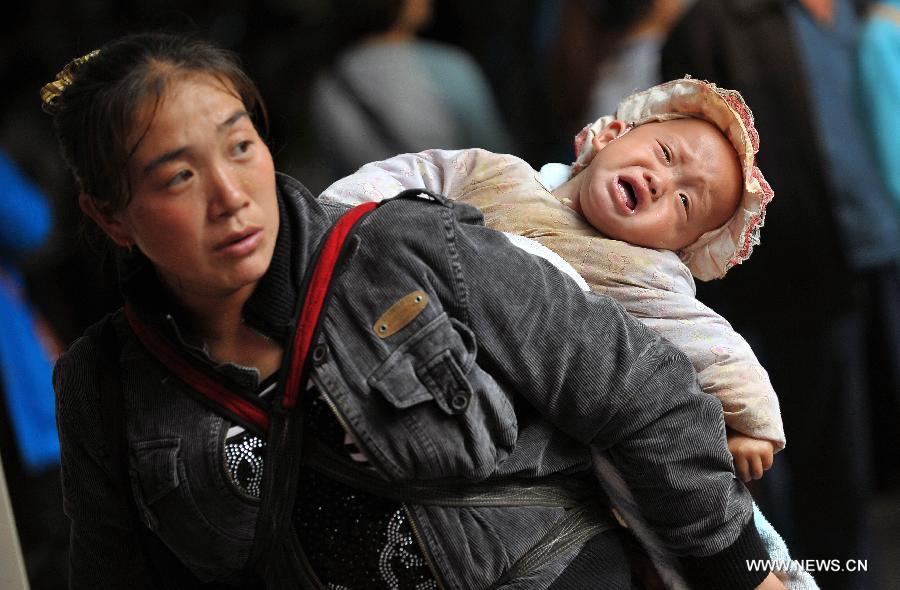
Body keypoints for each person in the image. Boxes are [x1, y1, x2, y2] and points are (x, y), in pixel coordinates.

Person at [44, 32, 783, 588]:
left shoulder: (409, 243)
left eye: (240, 146)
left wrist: (745, 574)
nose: (231, 194)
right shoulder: (104, 385)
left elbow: (644, 397)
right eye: (178, 175)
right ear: (110, 217)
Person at [322, 78, 784, 485]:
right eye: (664, 154)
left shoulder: (644, 274)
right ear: (608, 135)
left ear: (678, 246)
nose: (661, 181)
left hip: (493, 409)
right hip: (396, 321)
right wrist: (341, 216)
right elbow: (413, 172)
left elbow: (712, 341)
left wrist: (752, 424)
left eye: (685, 203)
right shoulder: (499, 173)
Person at [661, 3, 900, 588]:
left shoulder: (868, 16)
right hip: (800, 286)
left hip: (886, 256)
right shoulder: (715, 25)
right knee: (825, 480)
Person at [309, 0, 512, 179]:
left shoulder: (331, 80)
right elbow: (498, 161)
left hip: (369, 218)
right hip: (450, 216)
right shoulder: (449, 67)